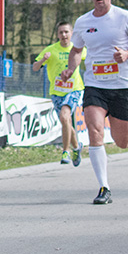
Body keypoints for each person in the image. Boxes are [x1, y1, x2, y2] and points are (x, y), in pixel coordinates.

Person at [61, 0, 128, 205]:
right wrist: (71, 69)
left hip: (122, 86)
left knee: (121, 141)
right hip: (95, 85)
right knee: (95, 131)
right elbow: (76, 50)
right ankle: (104, 187)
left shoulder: (125, 17)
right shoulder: (83, 21)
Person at [33, 21, 87, 166]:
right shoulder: (51, 50)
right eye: (61, 32)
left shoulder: (78, 49)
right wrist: (43, 59)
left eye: (66, 32)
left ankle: (65, 151)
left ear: (72, 33)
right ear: (57, 34)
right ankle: (77, 147)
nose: (64, 35)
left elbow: (91, 59)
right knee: (65, 121)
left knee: (65, 116)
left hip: (74, 89)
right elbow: (35, 67)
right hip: (57, 92)